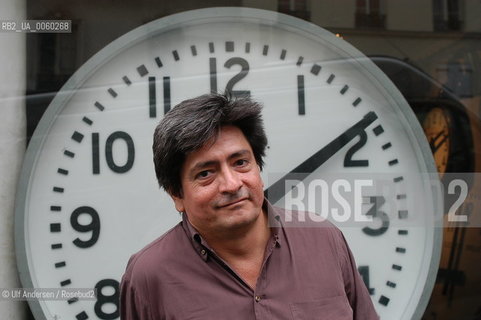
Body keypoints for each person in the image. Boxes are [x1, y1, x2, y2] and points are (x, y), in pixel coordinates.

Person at [120, 93, 379, 319]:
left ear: (258, 166)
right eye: (205, 173)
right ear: (176, 194)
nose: (232, 184)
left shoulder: (324, 240)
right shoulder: (148, 276)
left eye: (240, 162)